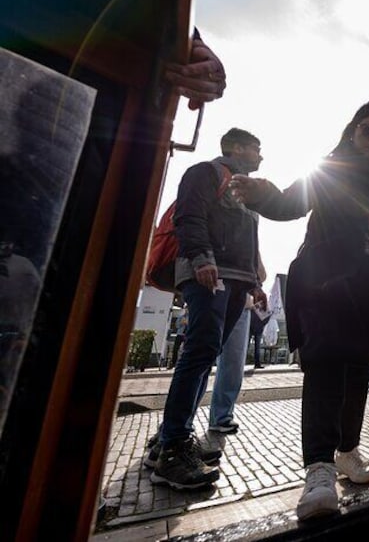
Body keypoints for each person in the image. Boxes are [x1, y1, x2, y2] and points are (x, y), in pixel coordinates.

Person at [229, 101, 369, 521]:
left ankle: (347, 452)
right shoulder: (330, 169)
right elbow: (290, 202)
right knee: (328, 364)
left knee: (358, 371)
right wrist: (262, 195)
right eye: (368, 130)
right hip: (326, 282)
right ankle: (319, 470)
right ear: (352, 132)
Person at [147, 127, 267, 490]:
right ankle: (172, 449)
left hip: (236, 280)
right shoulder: (206, 172)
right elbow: (189, 217)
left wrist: (255, 283)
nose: (261, 156)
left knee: (207, 352)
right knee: (198, 351)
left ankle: (167, 439)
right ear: (234, 146)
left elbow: (249, 241)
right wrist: (200, 258)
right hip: (207, 273)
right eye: (255, 148)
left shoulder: (248, 189)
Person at [206, 296, 253, 434]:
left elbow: (260, 274)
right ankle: (175, 426)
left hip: (242, 301)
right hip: (212, 293)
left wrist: (257, 287)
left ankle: (221, 416)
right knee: (198, 360)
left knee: (234, 363)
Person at [250, 299, 272, 369]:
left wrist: (262, 323)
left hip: (254, 326)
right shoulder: (261, 299)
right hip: (256, 326)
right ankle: (257, 363)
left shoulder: (256, 298)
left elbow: (268, 314)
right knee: (256, 346)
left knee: (251, 346)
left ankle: (256, 363)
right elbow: (269, 314)